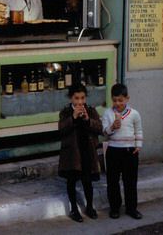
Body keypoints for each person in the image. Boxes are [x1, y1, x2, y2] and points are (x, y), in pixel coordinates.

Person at [58, 83, 103, 222]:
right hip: (72, 153)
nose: (80, 102)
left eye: (82, 98)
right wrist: (73, 118)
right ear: (71, 98)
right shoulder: (65, 112)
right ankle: (74, 209)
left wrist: (88, 120)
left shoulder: (90, 110)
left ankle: (89, 206)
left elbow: (99, 128)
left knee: (87, 181)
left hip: (87, 151)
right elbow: (61, 130)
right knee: (71, 180)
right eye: (76, 98)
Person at [102, 83, 143, 220]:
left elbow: (138, 130)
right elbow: (105, 133)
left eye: (120, 100)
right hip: (113, 151)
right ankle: (115, 208)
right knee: (112, 182)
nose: (117, 103)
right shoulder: (108, 113)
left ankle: (132, 208)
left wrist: (138, 145)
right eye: (114, 100)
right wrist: (112, 127)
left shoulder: (134, 114)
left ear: (127, 99)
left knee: (130, 181)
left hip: (130, 151)